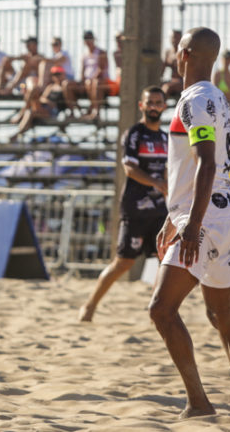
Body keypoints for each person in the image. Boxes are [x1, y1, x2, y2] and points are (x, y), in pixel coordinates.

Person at [150, 27, 230, 419]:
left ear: (184, 54)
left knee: (161, 310)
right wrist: (174, 216)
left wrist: (191, 224)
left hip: (206, 217)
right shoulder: (218, 98)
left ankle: (198, 403)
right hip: (222, 209)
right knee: (220, 313)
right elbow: (198, 168)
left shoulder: (194, 101)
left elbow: (207, 163)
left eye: (175, 48)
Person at [78, 86, 168, 322]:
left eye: (158, 103)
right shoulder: (134, 134)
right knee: (123, 263)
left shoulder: (165, 138)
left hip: (160, 210)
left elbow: (170, 171)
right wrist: (158, 183)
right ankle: (90, 305)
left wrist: (169, 188)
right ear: (141, 105)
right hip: (135, 208)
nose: (154, 107)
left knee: (167, 261)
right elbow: (129, 169)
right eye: (150, 102)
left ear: (164, 106)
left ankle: (156, 310)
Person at [69, 30, 113, 120]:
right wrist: (82, 82)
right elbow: (82, 72)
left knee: (94, 83)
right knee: (67, 85)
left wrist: (90, 80)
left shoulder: (101, 52)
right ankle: (76, 112)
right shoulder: (84, 55)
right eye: (86, 39)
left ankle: (95, 111)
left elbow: (101, 69)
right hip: (87, 83)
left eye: (90, 38)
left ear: (94, 39)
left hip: (100, 82)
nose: (88, 41)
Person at [161, 29, 183, 99]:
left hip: (182, 81)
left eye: (177, 38)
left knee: (167, 87)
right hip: (172, 80)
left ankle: (161, 107)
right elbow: (162, 71)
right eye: (173, 37)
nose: (174, 40)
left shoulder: (183, 53)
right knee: (155, 84)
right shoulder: (168, 52)